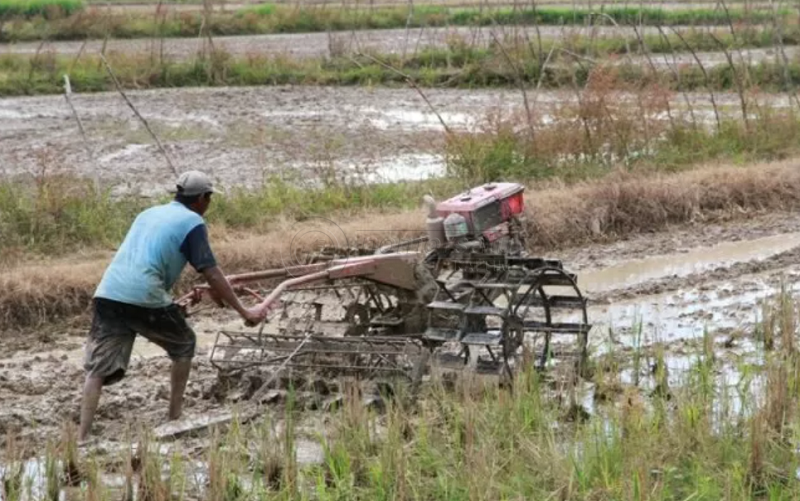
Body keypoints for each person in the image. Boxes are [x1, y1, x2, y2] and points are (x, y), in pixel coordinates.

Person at [78, 170, 266, 442]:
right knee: (184, 343)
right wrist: (245, 311)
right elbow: (210, 272)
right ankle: (174, 417)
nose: (208, 204)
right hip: (143, 294)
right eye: (209, 199)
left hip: (108, 292)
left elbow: (148, 258)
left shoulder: (148, 213)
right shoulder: (193, 222)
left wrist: (170, 303)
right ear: (202, 198)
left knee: (97, 367)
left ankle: (82, 437)